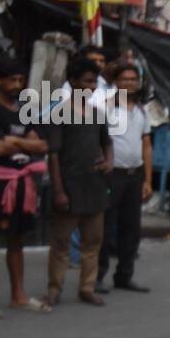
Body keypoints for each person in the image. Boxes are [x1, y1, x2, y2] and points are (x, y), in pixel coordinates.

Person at [0, 57, 48, 317]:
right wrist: (24, 142)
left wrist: (14, 141)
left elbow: (42, 145)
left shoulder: (25, 109)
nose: (16, 85)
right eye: (11, 80)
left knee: (17, 240)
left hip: (24, 182)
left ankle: (18, 295)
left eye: (20, 80)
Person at [46, 56, 112, 306]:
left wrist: (109, 162)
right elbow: (53, 155)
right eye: (87, 81)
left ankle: (87, 287)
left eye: (94, 82)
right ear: (73, 82)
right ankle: (54, 288)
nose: (92, 87)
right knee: (61, 242)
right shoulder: (59, 113)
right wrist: (58, 190)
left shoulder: (98, 114)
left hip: (94, 185)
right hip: (69, 184)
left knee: (92, 242)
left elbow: (107, 143)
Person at [96, 62, 152, 293]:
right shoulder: (105, 107)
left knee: (131, 228)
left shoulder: (142, 109)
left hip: (134, 175)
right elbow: (96, 139)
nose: (129, 83)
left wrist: (148, 180)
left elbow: (146, 144)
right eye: (124, 79)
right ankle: (97, 277)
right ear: (116, 82)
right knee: (105, 227)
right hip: (112, 174)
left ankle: (124, 275)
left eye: (133, 79)